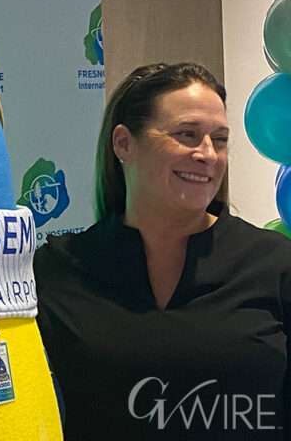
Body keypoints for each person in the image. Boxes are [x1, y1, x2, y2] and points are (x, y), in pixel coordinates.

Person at [35, 63, 291, 440]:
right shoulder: (57, 269)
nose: (208, 154)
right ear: (124, 143)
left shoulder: (275, 263)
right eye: (187, 134)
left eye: (219, 139)